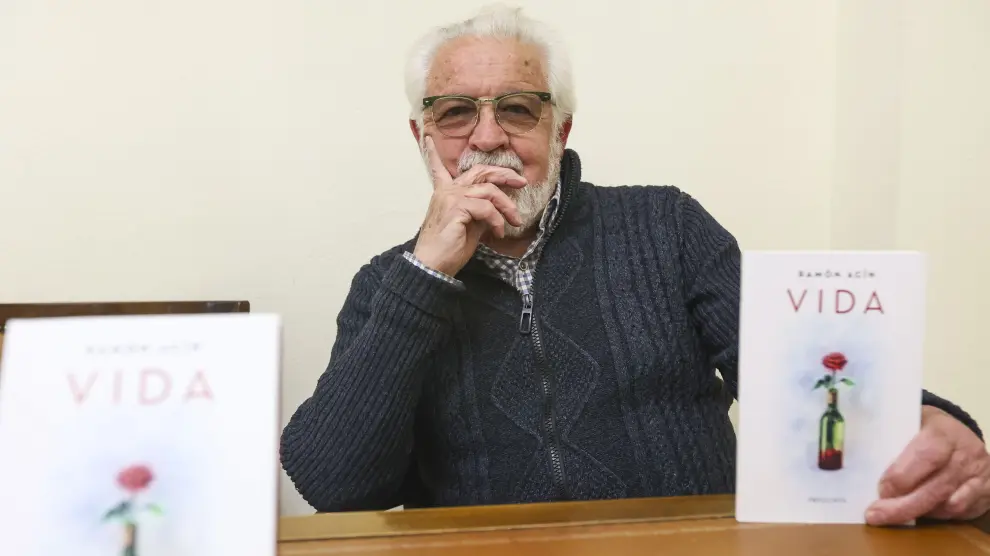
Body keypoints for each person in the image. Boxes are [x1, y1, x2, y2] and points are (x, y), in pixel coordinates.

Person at [280, 5, 989, 525]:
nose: (488, 137)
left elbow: (797, 375)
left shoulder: (666, 225)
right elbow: (338, 487)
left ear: (560, 129)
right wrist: (426, 274)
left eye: (519, 110)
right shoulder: (388, 284)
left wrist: (925, 421)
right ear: (422, 136)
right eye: (456, 112)